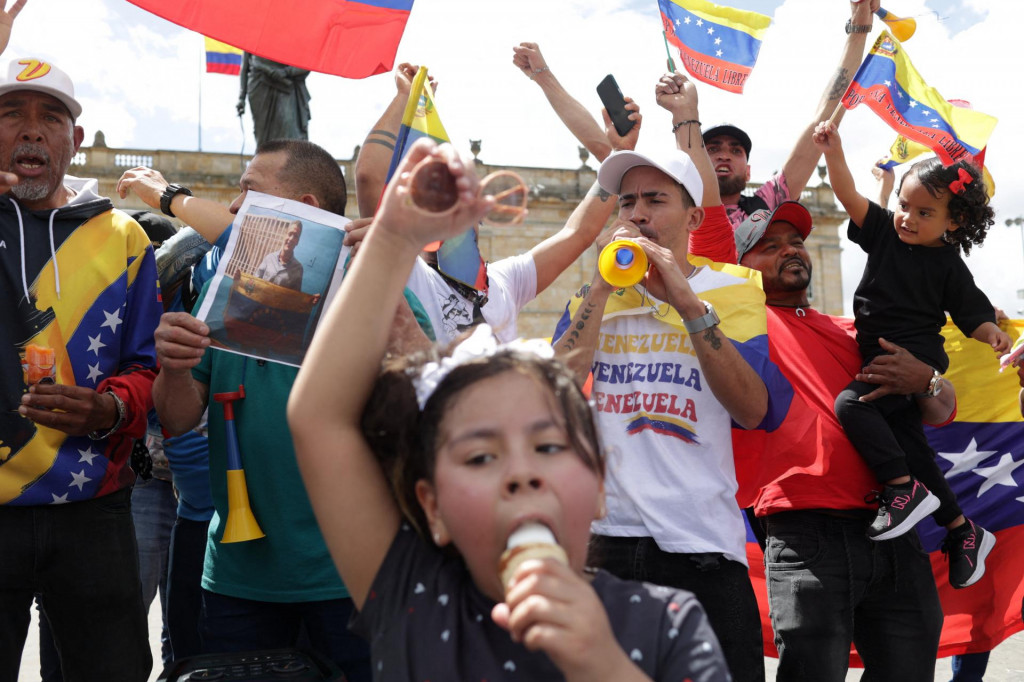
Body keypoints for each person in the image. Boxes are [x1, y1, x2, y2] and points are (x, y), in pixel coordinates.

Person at [287, 138, 732, 681]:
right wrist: (393, 236)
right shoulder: (409, 596)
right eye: (480, 457)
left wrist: (601, 660)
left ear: (599, 483)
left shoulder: (670, 624)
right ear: (432, 506)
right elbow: (318, 420)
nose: (521, 473)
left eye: (548, 446)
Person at [115, 140, 371, 680]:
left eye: (248, 191)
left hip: (349, 576)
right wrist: (175, 367)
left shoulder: (377, 286)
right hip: (237, 576)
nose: (233, 206)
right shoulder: (224, 287)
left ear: (300, 211)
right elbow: (178, 418)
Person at [551, 133, 791, 679]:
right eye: (627, 202)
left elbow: (753, 409)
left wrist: (686, 301)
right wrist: (599, 290)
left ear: (693, 216)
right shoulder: (593, 297)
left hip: (702, 547)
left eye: (655, 200)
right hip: (604, 545)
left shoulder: (733, 289)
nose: (636, 214)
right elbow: (551, 392)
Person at [0, 52, 159, 680]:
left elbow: (147, 366)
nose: (31, 130)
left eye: (50, 117)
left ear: (76, 138)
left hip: (93, 508)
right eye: (11, 114)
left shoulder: (124, 237)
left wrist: (109, 408)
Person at [814, 121, 1009, 585]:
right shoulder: (883, 232)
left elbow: (972, 311)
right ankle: (962, 530)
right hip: (879, 353)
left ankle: (902, 489)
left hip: (913, 356)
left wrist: (991, 334)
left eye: (925, 212)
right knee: (912, 448)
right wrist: (834, 151)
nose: (908, 218)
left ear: (953, 222)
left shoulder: (949, 265)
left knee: (851, 405)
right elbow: (847, 194)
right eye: (904, 205)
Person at [352, 62, 641, 344]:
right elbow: (369, 177)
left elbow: (578, 233)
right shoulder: (407, 270)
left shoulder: (504, 281)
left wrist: (619, 153)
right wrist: (405, 98)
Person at [237, 53, 311, 146]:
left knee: (289, 126)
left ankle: (289, 155)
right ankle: (264, 154)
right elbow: (244, 68)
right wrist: (241, 98)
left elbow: (308, 62)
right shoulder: (252, 43)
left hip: (285, 85)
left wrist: (287, 72)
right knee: (262, 134)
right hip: (259, 85)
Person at [253, 220, 305, 289]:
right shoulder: (269, 258)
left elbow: (295, 294)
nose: (291, 239)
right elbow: (254, 280)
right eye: (290, 234)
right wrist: (240, 279)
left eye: (295, 236)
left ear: (297, 241)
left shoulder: (298, 268)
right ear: (285, 235)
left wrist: (309, 297)